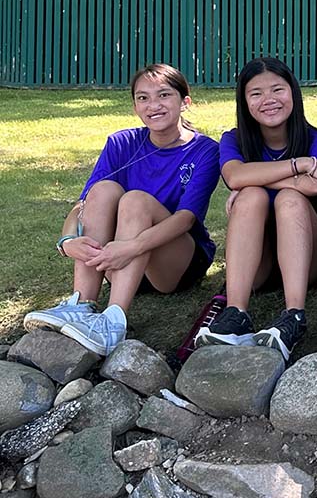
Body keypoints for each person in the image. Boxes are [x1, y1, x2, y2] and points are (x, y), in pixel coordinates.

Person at [24, 64, 220, 356]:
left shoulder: (205, 150)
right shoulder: (121, 142)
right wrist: (67, 242)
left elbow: (186, 219)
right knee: (102, 190)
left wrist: (130, 247)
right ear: (134, 106)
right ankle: (81, 305)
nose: (153, 105)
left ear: (185, 102)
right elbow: (84, 204)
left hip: (173, 265)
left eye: (164, 95)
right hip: (117, 263)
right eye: (143, 98)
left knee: (136, 200)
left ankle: (114, 321)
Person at [195, 57, 317, 361]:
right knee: (250, 197)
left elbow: (315, 187)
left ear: (293, 93)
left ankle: (294, 315)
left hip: (311, 255)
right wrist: (298, 166)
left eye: (277, 89)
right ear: (244, 101)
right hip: (258, 262)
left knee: (286, 198)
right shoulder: (234, 139)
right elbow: (234, 175)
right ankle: (236, 313)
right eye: (256, 93)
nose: (269, 100)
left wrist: (254, 180)